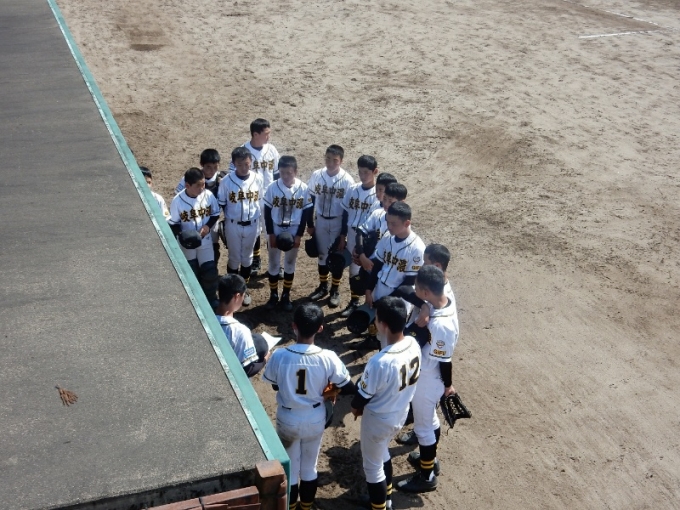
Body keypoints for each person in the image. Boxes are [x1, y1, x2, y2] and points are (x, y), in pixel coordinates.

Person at [263, 303, 356, 510]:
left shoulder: (279, 355)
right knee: (309, 469)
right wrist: (331, 391)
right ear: (320, 328)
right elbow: (348, 386)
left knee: (291, 469)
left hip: (287, 418)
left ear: (294, 326)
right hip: (315, 418)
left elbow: (275, 385)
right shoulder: (328, 357)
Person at [350, 296, 422, 510]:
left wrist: (355, 407)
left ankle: (379, 506)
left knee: (373, 468)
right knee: (382, 453)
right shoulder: (413, 343)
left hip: (379, 420)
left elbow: (361, 397)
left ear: (384, 325)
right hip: (400, 412)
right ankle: (385, 500)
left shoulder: (379, 362)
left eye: (377, 318)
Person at [396, 265, 458, 494]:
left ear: (425, 291)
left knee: (423, 429)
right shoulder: (440, 301)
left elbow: (445, 362)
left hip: (428, 379)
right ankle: (430, 460)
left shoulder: (441, 325)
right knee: (429, 421)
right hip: (429, 377)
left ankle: (427, 476)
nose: (415, 290)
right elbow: (403, 289)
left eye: (418, 289)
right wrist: (423, 305)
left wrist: (448, 386)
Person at [360, 202, 425, 350]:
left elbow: (408, 282)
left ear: (407, 223)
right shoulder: (387, 237)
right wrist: (369, 290)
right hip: (380, 289)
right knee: (377, 329)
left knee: (391, 339)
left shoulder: (417, 249)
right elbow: (377, 265)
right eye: (388, 222)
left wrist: (385, 302)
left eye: (393, 223)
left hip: (399, 298)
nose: (389, 226)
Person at [229, 119, 281, 276]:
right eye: (266, 134)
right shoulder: (243, 152)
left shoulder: (272, 150)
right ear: (255, 134)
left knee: (271, 231)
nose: (269, 137)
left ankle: (274, 264)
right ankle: (256, 259)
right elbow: (233, 175)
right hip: (251, 198)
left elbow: (277, 174)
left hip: (269, 198)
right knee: (254, 229)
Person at [306, 144, 355, 307]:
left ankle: (335, 290)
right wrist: (310, 223)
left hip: (337, 221)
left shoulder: (347, 180)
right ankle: (323, 286)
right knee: (321, 255)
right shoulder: (317, 175)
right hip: (320, 220)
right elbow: (310, 200)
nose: (330, 163)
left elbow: (347, 210)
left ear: (341, 161)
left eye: (335, 160)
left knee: (336, 256)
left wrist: (343, 234)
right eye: (328, 159)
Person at [263, 156, 313, 311]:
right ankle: (273, 295)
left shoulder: (303, 188)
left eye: (289, 173)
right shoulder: (272, 187)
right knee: (273, 262)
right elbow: (267, 212)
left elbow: (306, 214)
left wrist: (299, 236)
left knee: (290, 263)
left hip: (293, 228)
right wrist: (271, 234)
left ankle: (286, 295)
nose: (285, 176)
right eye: (282, 172)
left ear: (295, 172)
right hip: (276, 227)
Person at [217, 147, 264, 306]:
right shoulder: (226, 181)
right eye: (239, 164)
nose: (244, 167)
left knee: (247, 257)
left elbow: (261, 202)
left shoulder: (258, 178)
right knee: (234, 258)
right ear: (234, 163)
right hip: (233, 225)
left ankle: (243, 289)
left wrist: (262, 226)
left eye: (246, 164)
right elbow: (222, 204)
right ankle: (232, 290)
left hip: (253, 224)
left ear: (251, 162)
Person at [168, 167, 221, 305]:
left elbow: (215, 214)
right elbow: (173, 223)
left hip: (205, 240)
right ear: (187, 185)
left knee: (210, 272)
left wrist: (207, 226)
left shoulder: (208, 195)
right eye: (198, 185)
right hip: (187, 245)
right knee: (191, 273)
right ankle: (195, 302)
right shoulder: (178, 201)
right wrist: (182, 235)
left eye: (203, 184)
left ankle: (211, 299)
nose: (202, 188)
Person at [338, 156, 380, 318]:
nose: (362, 176)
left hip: (366, 239)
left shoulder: (378, 195)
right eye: (360, 172)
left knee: (367, 271)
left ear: (375, 171)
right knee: (353, 270)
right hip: (351, 232)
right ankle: (354, 301)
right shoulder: (352, 189)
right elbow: (345, 213)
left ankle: (368, 303)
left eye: (366, 172)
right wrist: (342, 235)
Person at [174, 149, 225, 264]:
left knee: (213, 246)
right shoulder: (192, 177)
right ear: (202, 164)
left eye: (215, 167)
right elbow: (179, 195)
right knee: (191, 246)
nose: (212, 171)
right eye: (208, 167)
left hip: (212, 219)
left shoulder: (221, 179)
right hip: (193, 217)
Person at [216, 274, 269, 377]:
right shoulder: (240, 331)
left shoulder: (205, 317)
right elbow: (248, 370)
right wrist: (265, 359)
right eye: (243, 295)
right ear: (237, 296)